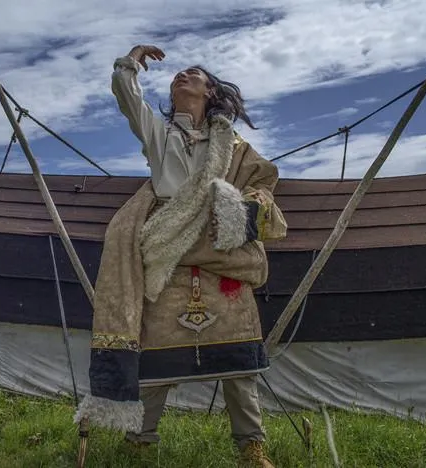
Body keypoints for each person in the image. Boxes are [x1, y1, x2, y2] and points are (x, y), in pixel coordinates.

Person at [74, 45, 288, 467]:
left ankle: (251, 447)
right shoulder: (160, 133)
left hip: (219, 246)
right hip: (166, 251)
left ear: (210, 91)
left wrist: (237, 209)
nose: (181, 76)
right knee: (155, 357)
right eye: (177, 76)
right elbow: (125, 94)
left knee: (237, 360)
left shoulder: (234, 144)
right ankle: (141, 441)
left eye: (192, 73)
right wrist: (131, 61)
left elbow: (262, 183)